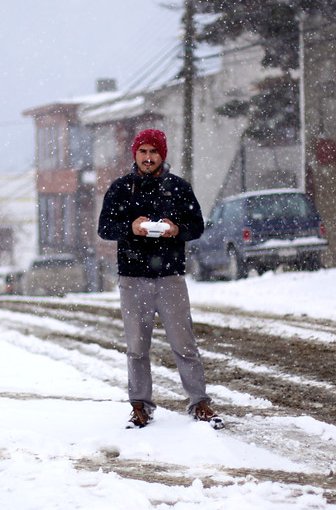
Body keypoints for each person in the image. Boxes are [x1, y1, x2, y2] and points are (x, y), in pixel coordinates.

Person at [97, 128, 218, 428]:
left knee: (183, 343)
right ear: (135, 155)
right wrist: (131, 226)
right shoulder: (121, 189)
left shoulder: (178, 188)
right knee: (137, 346)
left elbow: (197, 226)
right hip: (133, 277)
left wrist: (176, 229)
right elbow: (104, 228)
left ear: (162, 154)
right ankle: (140, 405)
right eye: (143, 152)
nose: (148, 158)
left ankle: (199, 401)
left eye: (154, 152)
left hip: (170, 276)